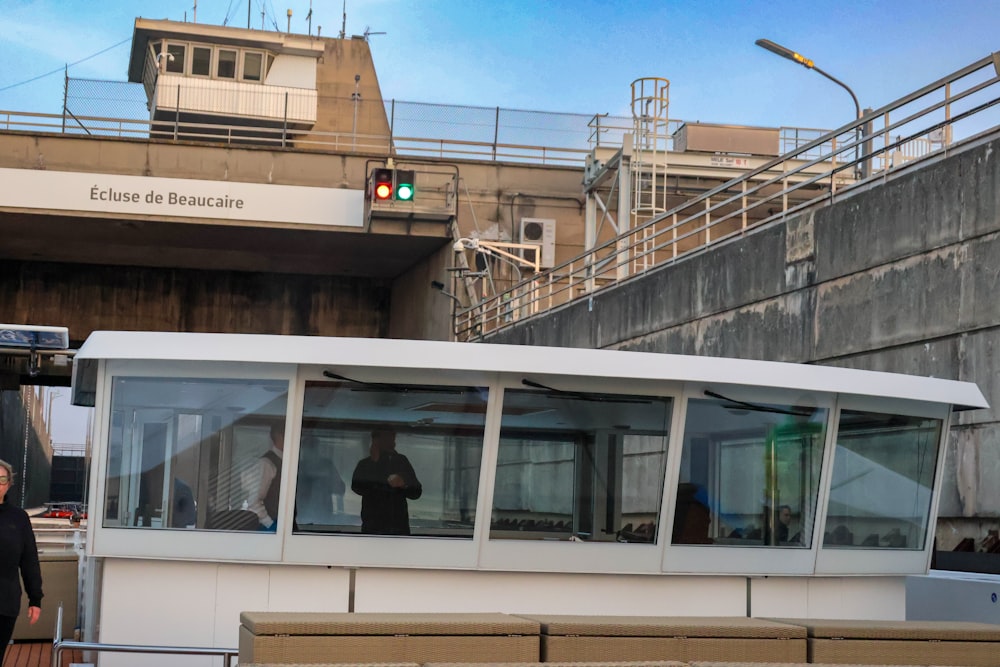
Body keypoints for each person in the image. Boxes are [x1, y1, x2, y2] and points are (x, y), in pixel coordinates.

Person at [0, 459, 42, 665]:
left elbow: (29, 560)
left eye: (2, 479)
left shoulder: (19, 518)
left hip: (5, 603)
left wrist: (35, 599)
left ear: (8, 484)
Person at [351, 428, 422, 535]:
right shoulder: (365, 464)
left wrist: (404, 484)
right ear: (376, 442)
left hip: (398, 528)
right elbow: (357, 487)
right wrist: (374, 462)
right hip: (372, 527)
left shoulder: (401, 461)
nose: (392, 444)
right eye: (386, 440)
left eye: (392, 440)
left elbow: (416, 492)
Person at [249, 422, 284, 531]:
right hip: (270, 530)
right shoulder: (267, 463)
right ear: (280, 436)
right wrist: (270, 525)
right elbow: (253, 501)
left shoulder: (288, 462)